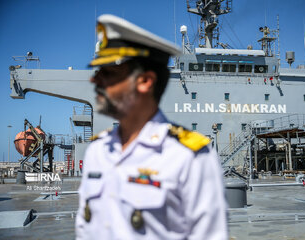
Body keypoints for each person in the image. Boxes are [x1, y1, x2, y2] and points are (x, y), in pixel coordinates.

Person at [76, 14, 227, 240]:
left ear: (145, 81)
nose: (94, 80)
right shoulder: (97, 151)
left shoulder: (189, 157)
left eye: (107, 72)